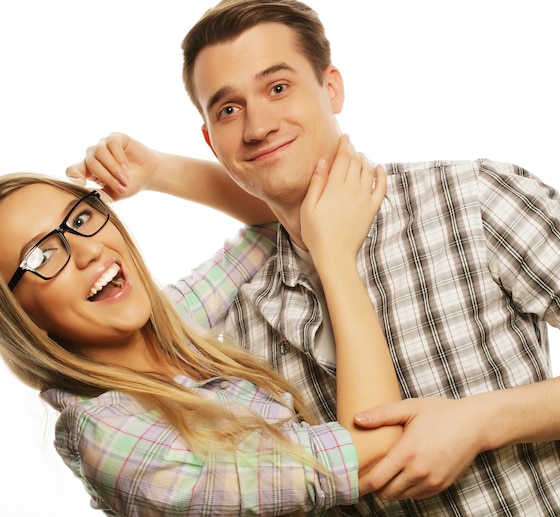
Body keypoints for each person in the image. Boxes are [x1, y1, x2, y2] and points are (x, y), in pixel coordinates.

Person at [67, 0, 560, 515]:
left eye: (279, 88)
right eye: (230, 109)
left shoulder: (472, 200)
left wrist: (484, 421)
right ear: (211, 140)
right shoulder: (235, 327)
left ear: (331, 88)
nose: (258, 126)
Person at [0, 137, 405, 516]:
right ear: (24, 320)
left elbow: (273, 221)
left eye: (81, 217)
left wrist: (156, 170)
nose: (88, 250)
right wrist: (334, 259)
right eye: (41, 256)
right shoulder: (110, 435)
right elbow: (373, 449)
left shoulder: (170, 323)